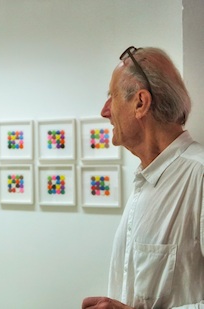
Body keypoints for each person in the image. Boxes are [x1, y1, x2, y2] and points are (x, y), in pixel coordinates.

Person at [82, 46, 204, 308]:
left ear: (140, 103)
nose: (105, 112)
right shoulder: (146, 180)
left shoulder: (200, 176)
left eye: (111, 97)